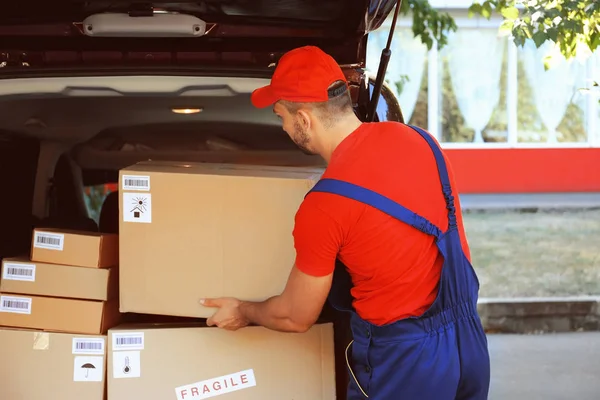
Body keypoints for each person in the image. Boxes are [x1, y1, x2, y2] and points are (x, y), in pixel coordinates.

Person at [200, 45, 491, 400]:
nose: (285, 127)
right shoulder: (421, 140)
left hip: (405, 363)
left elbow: (296, 316)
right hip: (467, 345)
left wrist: (243, 311)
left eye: (282, 117)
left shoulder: (324, 205)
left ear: (304, 120)